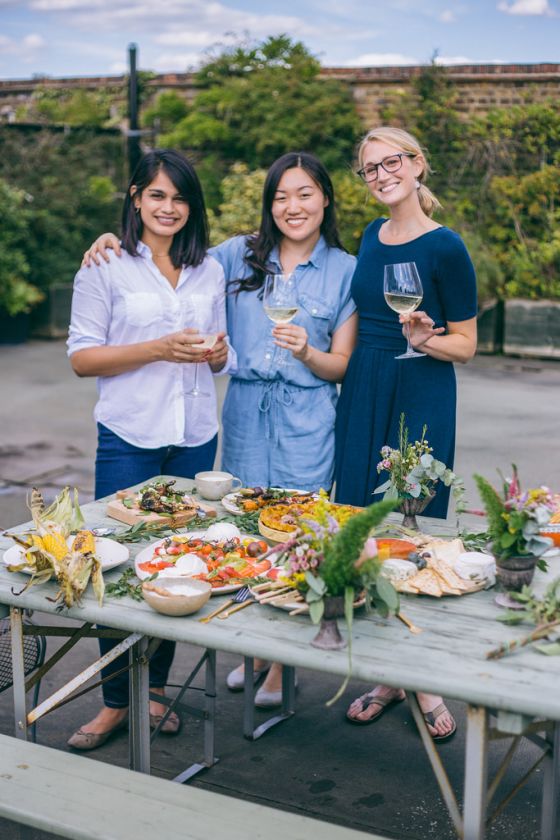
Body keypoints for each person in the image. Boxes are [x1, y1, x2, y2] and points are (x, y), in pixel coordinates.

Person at [82, 151, 358, 707]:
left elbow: (344, 367)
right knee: (241, 533)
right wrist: (109, 237)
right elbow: (166, 250)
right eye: (280, 196)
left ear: (326, 198)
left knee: (297, 534)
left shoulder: (346, 269)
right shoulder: (235, 256)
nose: (292, 206)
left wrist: (307, 352)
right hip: (240, 414)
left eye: (304, 194)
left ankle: (277, 662)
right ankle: (238, 657)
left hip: (305, 416)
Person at [67, 149, 235, 749]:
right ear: (136, 196)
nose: (169, 208)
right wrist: (157, 348)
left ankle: (155, 692)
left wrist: (218, 356)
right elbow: (83, 357)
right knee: (113, 567)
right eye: (157, 195)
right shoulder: (105, 265)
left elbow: (223, 352)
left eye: (180, 197)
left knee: (175, 564)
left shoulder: (209, 269)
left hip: (193, 436)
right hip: (129, 437)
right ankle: (115, 702)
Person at [335, 126, 477, 738]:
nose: (381, 174)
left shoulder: (447, 248)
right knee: (366, 529)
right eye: (370, 168)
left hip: (419, 390)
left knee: (410, 532)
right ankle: (391, 675)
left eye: (391, 162)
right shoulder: (370, 235)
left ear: (418, 165)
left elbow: (466, 345)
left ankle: (419, 679)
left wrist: (427, 340)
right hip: (364, 387)